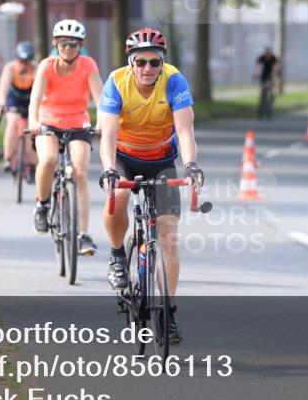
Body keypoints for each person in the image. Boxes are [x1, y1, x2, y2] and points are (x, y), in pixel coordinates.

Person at [98, 27, 201, 344]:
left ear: (162, 62)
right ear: (130, 62)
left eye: (154, 62)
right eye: (140, 62)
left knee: (168, 235)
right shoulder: (116, 82)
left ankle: (168, 312)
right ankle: (117, 255)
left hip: (162, 160)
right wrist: (108, 169)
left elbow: (185, 130)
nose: (147, 69)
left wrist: (191, 165)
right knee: (118, 193)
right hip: (125, 156)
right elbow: (108, 136)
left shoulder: (174, 81)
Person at [27, 19, 103, 256]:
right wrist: (33, 122)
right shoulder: (47, 66)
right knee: (48, 160)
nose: (68, 48)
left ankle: (83, 233)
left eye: (73, 44)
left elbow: (100, 100)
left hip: (78, 121)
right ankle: (42, 205)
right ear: (55, 44)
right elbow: (35, 99)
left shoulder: (88, 65)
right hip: (48, 121)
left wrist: (100, 123)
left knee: (80, 171)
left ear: (80, 45)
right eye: (63, 44)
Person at [0, 41, 38, 178]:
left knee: (29, 130)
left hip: (30, 100)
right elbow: (2, 90)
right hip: (14, 99)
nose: (24, 65)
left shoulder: (37, 69)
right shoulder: (10, 68)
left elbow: (41, 91)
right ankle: (7, 158)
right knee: (12, 122)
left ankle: (32, 164)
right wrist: (2, 105)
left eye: (27, 62)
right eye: (21, 61)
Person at [255, 47, 279, 119]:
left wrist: (274, 76)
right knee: (262, 96)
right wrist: (256, 74)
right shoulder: (261, 58)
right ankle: (260, 113)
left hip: (270, 78)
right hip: (263, 78)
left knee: (269, 95)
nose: (267, 54)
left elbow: (276, 67)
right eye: (266, 53)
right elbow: (257, 66)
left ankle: (269, 111)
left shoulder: (273, 58)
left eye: (268, 53)